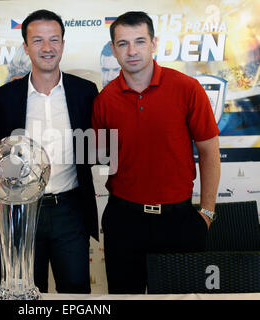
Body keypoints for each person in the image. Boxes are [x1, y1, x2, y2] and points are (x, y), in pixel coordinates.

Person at [92, 11, 221, 294]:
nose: (132, 50)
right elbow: (101, 154)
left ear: (154, 43)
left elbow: (210, 151)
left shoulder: (187, 88)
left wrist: (208, 212)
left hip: (178, 221)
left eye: (139, 41)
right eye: (123, 43)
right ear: (113, 50)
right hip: (124, 221)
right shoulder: (104, 100)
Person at [0, 9, 99, 294]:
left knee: (75, 291)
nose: (47, 48)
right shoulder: (3, 98)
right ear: (25, 46)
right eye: (38, 40)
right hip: (22, 213)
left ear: (63, 44)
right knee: (26, 292)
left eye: (54, 39)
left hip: (71, 211)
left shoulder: (86, 92)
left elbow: (96, 148)